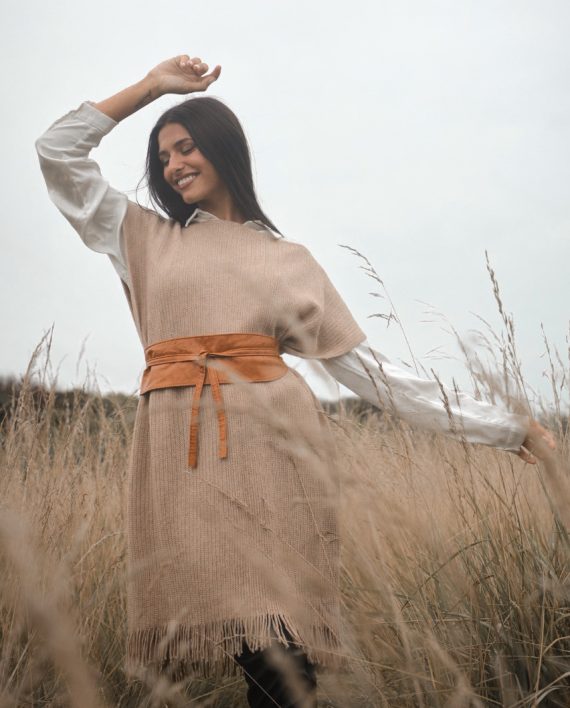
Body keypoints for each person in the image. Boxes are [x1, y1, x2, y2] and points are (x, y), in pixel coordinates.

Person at [36, 54, 556, 708]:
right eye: (163, 156)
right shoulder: (140, 238)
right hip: (181, 464)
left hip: (274, 461)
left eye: (186, 147)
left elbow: (376, 378)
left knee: (279, 653)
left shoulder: (288, 261)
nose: (173, 165)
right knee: (237, 644)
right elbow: (57, 151)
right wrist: (150, 88)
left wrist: (508, 428)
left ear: (224, 149)